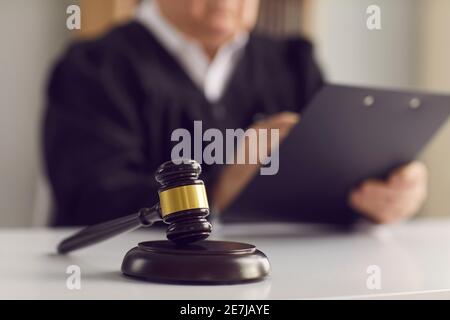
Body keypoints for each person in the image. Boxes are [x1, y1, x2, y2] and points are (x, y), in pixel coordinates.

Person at [44, 0, 427, 226]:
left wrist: (382, 193)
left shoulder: (293, 63)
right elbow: (90, 199)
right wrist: (220, 187)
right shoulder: (93, 68)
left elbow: (326, 182)